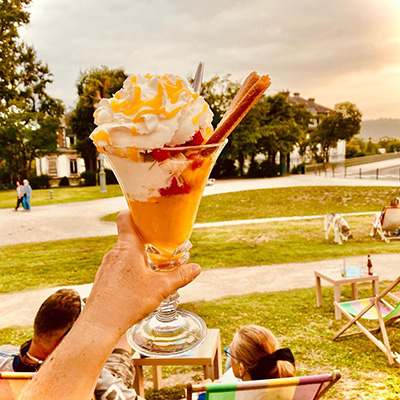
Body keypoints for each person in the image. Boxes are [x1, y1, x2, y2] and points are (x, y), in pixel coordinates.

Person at [18, 210, 201, 400]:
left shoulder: (4, 360)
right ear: (65, 342)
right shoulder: (96, 380)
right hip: (107, 373)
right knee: (121, 339)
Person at [0, 288, 141, 399]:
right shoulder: (89, 378)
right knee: (119, 337)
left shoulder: (3, 360)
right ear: (66, 341)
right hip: (106, 381)